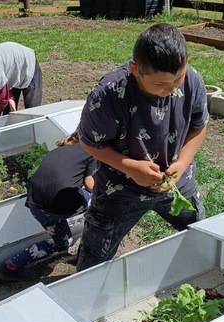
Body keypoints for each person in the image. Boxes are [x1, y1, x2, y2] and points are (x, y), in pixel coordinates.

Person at [76, 23, 208, 271]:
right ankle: (83, 297)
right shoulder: (108, 95)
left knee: (202, 235)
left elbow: (199, 126)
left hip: (177, 183)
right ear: (135, 69)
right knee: (95, 255)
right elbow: (89, 141)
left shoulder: (192, 81)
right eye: (160, 84)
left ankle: (206, 277)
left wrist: (182, 163)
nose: (170, 90)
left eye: (177, 78)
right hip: (120, 188)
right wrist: (131, 167)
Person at [0, 131, 96, 282]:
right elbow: (90, 185)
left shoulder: (60, 150)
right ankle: (88, 252)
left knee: (63, 243)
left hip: (37, 205)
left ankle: (10, 267)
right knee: (100, 202)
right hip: (59, 205)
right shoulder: (91, 152)